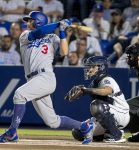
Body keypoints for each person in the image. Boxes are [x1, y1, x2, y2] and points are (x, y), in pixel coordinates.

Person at [0, 11, 82, 143]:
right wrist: (58, 24)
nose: (27, 22)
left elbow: (64, 52)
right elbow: (37, 33)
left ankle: (12, 132)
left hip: (45, 76)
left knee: (19, 94)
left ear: (37, 21)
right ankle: (84, 126)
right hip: (33, 79)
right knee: (52, 121)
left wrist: (61, 31)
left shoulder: (52, 37)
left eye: (30, 20)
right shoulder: (25, 35)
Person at [71, 56, 130, 144]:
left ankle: (116, 134)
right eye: (88, 66)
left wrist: (86, 90)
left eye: (91, 66)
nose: (88, 69)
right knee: (79, 132)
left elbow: (107, 90)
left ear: (100, 67)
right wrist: (81, 93)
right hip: (110, 114)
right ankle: (104, 134)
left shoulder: (107, 79)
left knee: (96, 105)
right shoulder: (94, 83)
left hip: (121, 114)